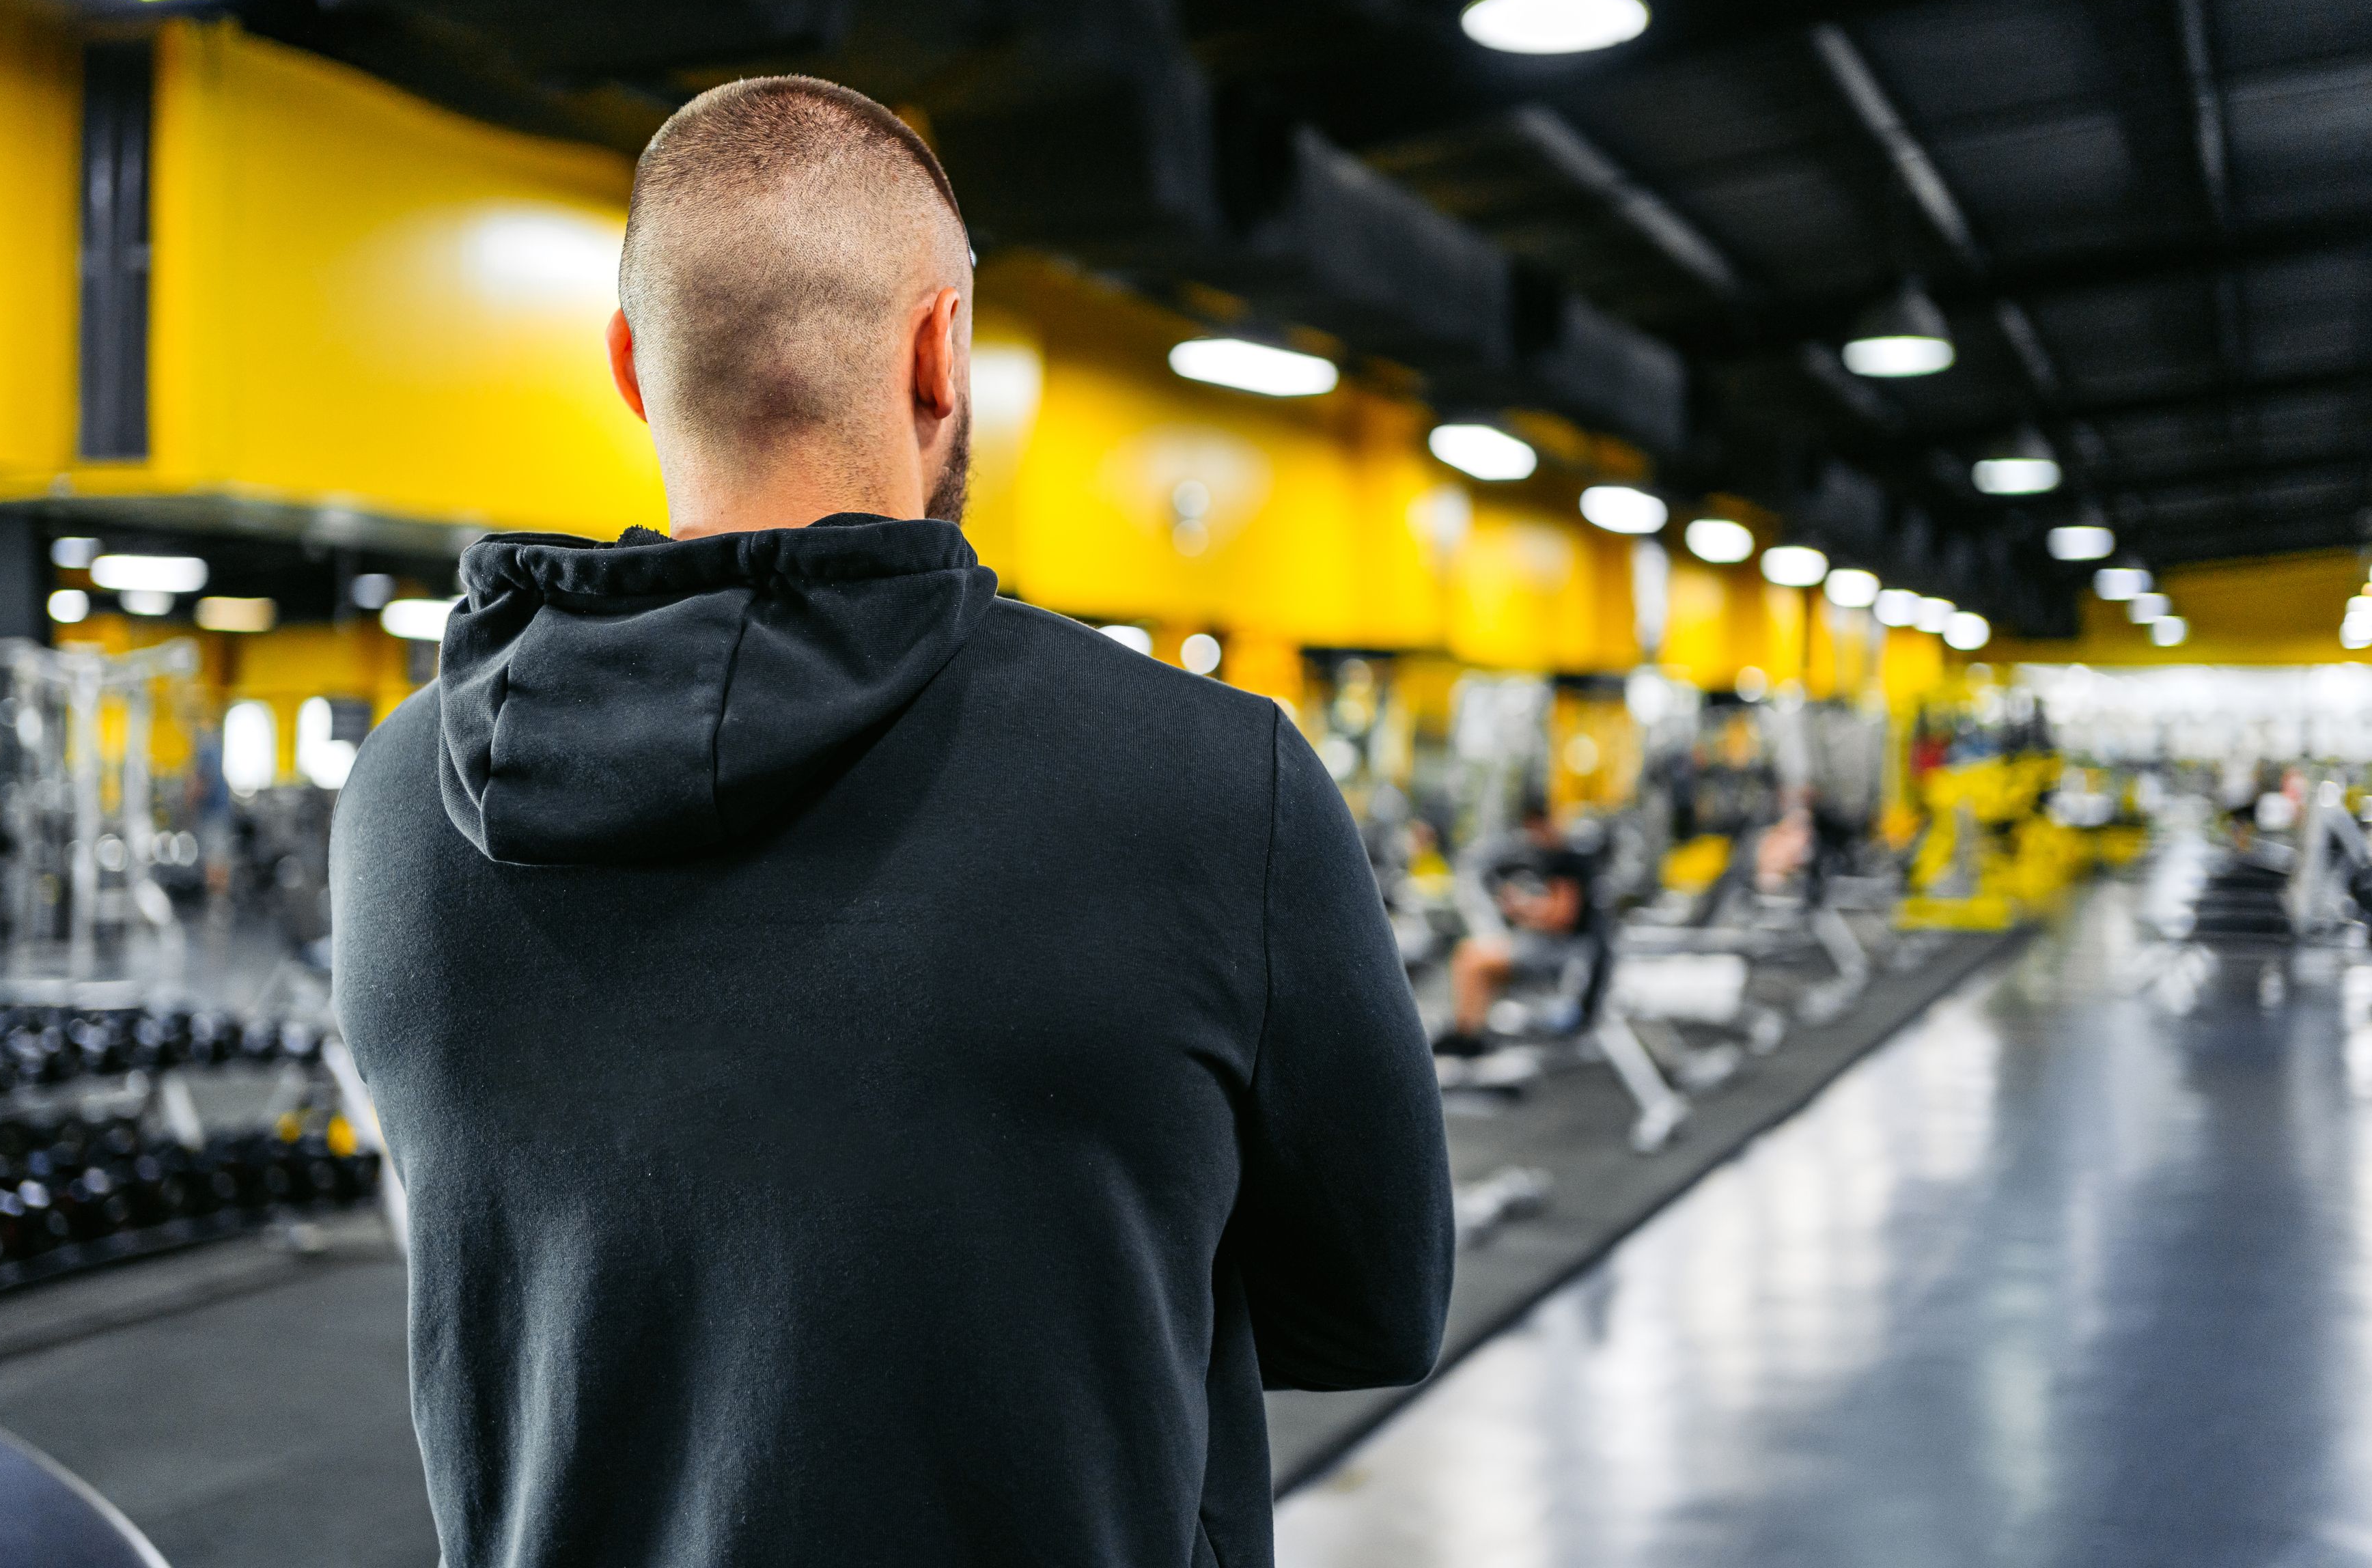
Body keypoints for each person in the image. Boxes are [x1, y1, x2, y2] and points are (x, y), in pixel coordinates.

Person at [331, 76, 1451, 1568]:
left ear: (630, 367)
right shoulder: (1211, 778)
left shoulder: (402, 805)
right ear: (943, 351)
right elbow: (1371, 1298)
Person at [1431, 804, 1602, 1056]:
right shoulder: (1553, 858)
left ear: (1541, 824)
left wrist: (1524, 909)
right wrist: (1522, 907)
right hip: (1554, 947)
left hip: (1563, 954)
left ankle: (1466, 1037)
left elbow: (1560, 918)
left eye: (1532, 830)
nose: (1530, 838)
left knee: (1472, 958)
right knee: (1477, 960)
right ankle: (1471, 1032)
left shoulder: (1570, 861)